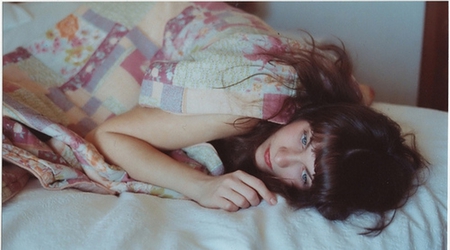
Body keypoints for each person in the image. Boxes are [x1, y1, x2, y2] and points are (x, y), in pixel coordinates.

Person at [86, 6, 426, 234]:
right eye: (305, 139)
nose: (280, 158)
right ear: (316, 113)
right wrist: (199, 186)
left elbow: (363, 92)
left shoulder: (339, 104)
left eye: (305, 175)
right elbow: (109, 135)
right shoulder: (245, 110)